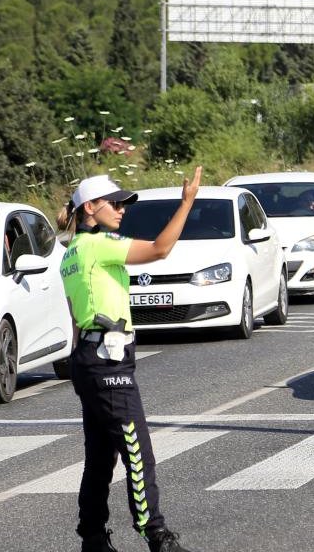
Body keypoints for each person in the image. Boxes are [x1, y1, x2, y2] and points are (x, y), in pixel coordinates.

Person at [57, 169, 202, 552]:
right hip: (108, 360)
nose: (122, 209)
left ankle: (92, 537)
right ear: (90, 208)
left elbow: (75, 315)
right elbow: (159, 249)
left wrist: (79, 362)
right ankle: (157, 536)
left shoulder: (71, 252)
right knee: (137, 450)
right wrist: (186, 202)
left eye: (123, 203)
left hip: (89, 358)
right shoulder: (98, 246)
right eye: (115, 203)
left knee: (100, 457)